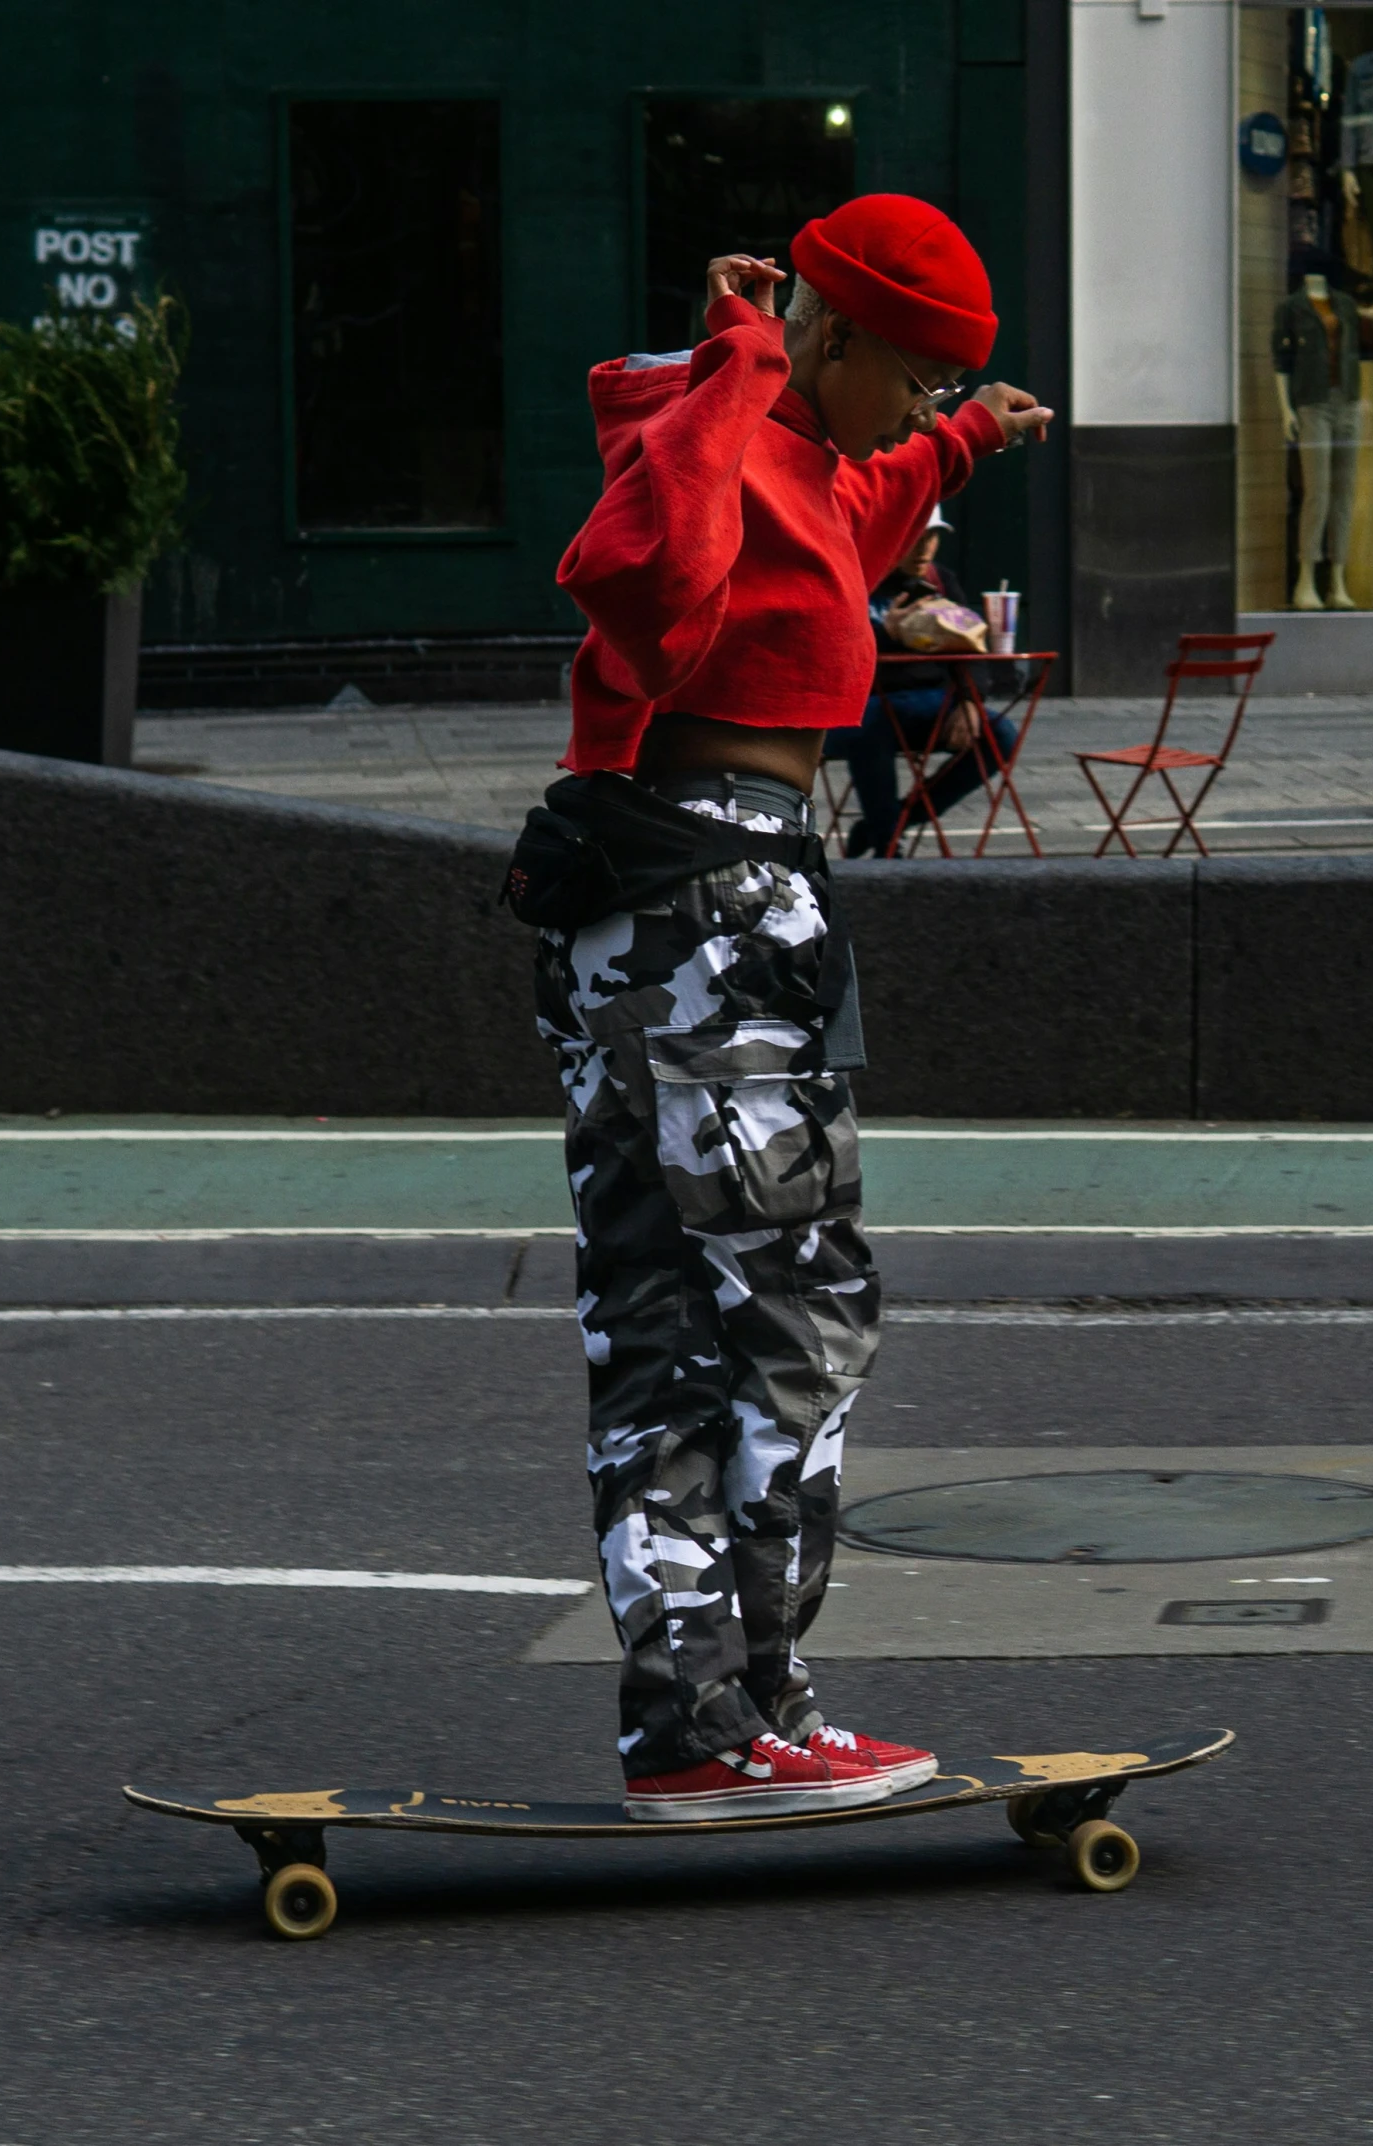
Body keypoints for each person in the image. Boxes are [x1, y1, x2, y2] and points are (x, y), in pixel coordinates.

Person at [529, 194, 1050, 1822]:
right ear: (826, 336)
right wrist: (726, 367)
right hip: (700, 903)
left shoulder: (803, 458)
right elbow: (640, 580)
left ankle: (719, 1708)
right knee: (781, 1306)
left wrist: (959, 443)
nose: (911, 410)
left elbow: (849, 515)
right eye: (906, 376)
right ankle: (729, 1705)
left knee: (691, 1319)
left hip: (712, 906)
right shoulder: (720, 427)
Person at [827, 512, 1019, 856]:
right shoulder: (856, 576)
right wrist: (885, 633)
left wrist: (970, 700)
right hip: (860, 708)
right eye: (913, 534)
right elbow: (829, 650)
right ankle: (887, 842)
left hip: (931, 703)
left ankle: (895, 821)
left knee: (1001, 735)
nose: (923, 548)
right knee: (872, 721)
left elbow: (971, 648)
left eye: (931, 537)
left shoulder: (940, 582)